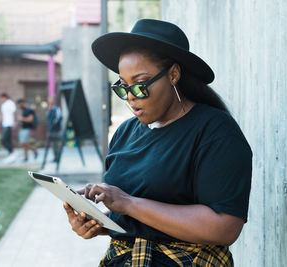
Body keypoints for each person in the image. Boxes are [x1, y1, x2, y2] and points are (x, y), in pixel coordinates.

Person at [63, 19, 253, 266]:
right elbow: (140, 218)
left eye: (140, 85)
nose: (131, 97)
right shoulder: (125, 133)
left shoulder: (214, 131)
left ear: (173, 74)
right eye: (123, 87)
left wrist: (129, 204)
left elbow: (224, 227)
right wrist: (102, 224)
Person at [46, 96, 62, 162]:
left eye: (51, 100)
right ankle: (55, 157)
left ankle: (58, 157)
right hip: (50, 129)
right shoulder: (49, 109)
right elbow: (48, 118)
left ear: (54, 101)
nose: (49, 101)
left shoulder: (57, 108)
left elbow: (59, 118)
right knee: (53, 144)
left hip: (56, 129)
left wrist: (54, 124)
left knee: (57, 143)